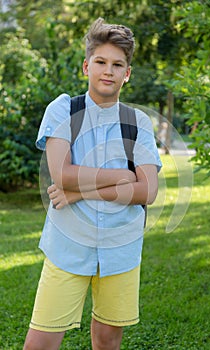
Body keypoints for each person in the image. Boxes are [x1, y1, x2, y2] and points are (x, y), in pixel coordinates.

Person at [23, 17, 162, 350]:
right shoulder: (63, 110)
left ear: (127, 73)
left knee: (107, 339)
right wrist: (120, 177)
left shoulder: (137, 121)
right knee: (40, 342)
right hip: (67, 247)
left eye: (117, 65)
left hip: (121, 248)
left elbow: (147, 191)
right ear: (87, 66)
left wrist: (78, 192)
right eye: (100, 62)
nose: (108, 70)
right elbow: (62, 174)